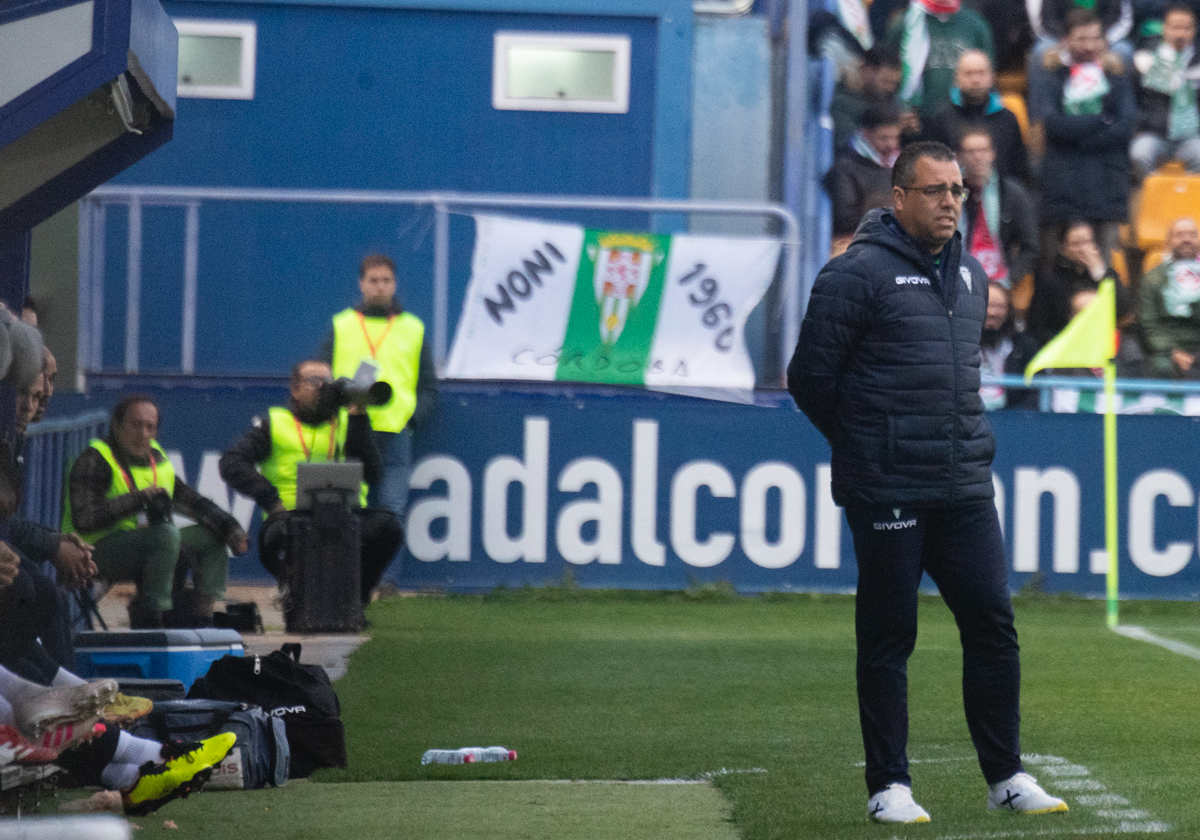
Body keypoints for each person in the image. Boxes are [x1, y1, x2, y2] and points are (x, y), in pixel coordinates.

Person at [788, 140, 1068, 823]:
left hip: (963, 485)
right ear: (900, 197)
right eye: (937, 190)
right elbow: (810, 379)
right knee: (890, 635)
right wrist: (870, 448)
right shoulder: (854, 274)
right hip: (888, 486)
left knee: (993, 625)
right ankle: (889, 785)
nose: (951, 202)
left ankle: (1006, 777)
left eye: (958, 192)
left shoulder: (972, 277)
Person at [218, 360, 403, 605]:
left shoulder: (348, 423)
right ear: (294, 390)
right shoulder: (275, 424)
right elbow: (231, 462)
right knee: (282, 543)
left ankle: (356, 599)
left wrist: (359, 418)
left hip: (343, 516)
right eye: (313, 381)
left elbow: (373, 474)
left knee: (388, 527)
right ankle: (295, 594)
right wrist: (271, 501)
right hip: (290, 519)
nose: (322, 388)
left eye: (327, 382)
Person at [65, 396, 249, 628]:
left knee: (210, 537)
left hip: (148, 543)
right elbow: (85, 519)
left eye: (150, 427)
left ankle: (202, 618)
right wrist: (138, 500)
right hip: (93, 551)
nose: (143, 434)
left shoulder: (157, 459)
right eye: (135, 425)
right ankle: (152, 620)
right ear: (116, 425)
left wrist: (233, 531)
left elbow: (193, 502)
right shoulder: (95, 459)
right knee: (165, 535)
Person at [319, 254, 438, 552]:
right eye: (374, 281)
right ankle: (349, 578)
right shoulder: (342, 325)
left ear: (395, 285)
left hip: (395, 431)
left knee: (391, 510)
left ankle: (385, 582)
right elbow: (321, 376)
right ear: (361, 284)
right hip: (350, 430)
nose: (380, 287)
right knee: (347, 508)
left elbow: (428, 385)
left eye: (386, 281)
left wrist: (412, 420)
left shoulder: (413, 328)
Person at [1035, 9, 1138, 266]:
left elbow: (1125, 126)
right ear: (1066, 40)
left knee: (1104, 270)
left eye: (1095, 38)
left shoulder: (1117, 75)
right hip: (1061, 186)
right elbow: (1053, 125)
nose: (1089, 45)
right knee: (1055, 268)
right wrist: (1101, 120)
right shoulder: (1051, 75)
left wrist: (1079, 137)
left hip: (1107, 184)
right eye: (1082, 38)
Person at [924, 50, 1032, 183]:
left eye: (981, 73)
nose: (975, 80)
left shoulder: (1007, 118)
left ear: (992, 77)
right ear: (956, 79)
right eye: (968, 74)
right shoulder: (941, 118)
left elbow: (1019, 167)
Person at [1027, 220, 1135, 346]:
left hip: (1101, 343)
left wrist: (1100, 275)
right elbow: (1037, 326)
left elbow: (1124, 310)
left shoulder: (1106, 274)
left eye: (1087, 242)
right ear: (1062, 248)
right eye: (1075, 244)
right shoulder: (1049, 279)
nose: (1083, 249)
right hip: (1064, 345)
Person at [956, 127, 1039, 288]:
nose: (978, 157)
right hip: (958, 281)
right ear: (958, 156)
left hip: (1001, 282)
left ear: (993, 153)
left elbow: (1030, 246)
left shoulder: (1011, 192)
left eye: (983, 150)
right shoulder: (950, 193)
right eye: (971, 151)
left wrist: (1012, 277)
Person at [885, 0, 994, 122]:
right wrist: (897, 113)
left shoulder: (977, 25)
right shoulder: (906, 23)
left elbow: (989, 79)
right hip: (916, 121)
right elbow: (887, 75)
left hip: (964, 122)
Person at [1130, 4, 1200, 180]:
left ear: (1194, 30)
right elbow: (1134, 100)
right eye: (1175, 27)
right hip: (1154, 134)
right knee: (1139, 153)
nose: (1181, 33)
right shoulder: (1147, 60)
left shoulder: (1198, 62)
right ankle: (1155, 198)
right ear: (1165, 29)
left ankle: (1188, 200)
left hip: (1190, 136)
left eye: (1186, 28)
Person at [827, 102, 904, 243]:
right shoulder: (846, 166)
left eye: (895, 138)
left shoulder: (900, 162)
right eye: (884, 138)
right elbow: (844, 219)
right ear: (866, 133)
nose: (891, 145)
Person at [1138, 217, 1200, 376]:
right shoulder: (1153, 279)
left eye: (1192, 234)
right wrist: (1173, 352)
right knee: (1162, 367)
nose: (1186, 239)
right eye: (1179, 235)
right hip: (1166, 350)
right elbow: (1149, 324)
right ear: (1169, 241)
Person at [832, 45, 905, 152]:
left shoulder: (890, 99)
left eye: (894, 83)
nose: (890, 88)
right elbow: (847, 142)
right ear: (868, 70)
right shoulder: (843, 101)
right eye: (885, 81)